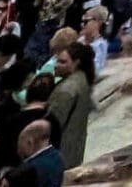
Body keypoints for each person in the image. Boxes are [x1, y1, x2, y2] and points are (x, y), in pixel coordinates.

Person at [38, 39, 87, 170]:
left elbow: (50, 127)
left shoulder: (66, 90)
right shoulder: (81, 79)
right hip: (73, 151)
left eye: (63, 62)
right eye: (57, 61)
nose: (56, 65)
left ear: (76, 63)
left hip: (59, 155)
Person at [14, 116, 61, 187]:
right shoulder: (57, 157)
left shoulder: (27, 171)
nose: (18, 150)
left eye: (20, 142)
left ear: (30, 143)